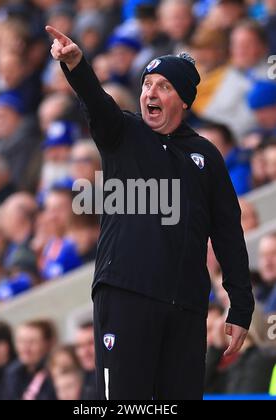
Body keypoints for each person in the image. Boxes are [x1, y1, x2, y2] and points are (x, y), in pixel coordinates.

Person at [46, 25, 254, 400]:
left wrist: (240, 306)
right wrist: (76, 65)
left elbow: (228, 233)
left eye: (163, 86)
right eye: (146, 84)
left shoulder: (206, 156)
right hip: (126, 295)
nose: (150, 93)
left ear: (185, 99)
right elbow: (97, 102)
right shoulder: (123, 133)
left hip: (187, 308)